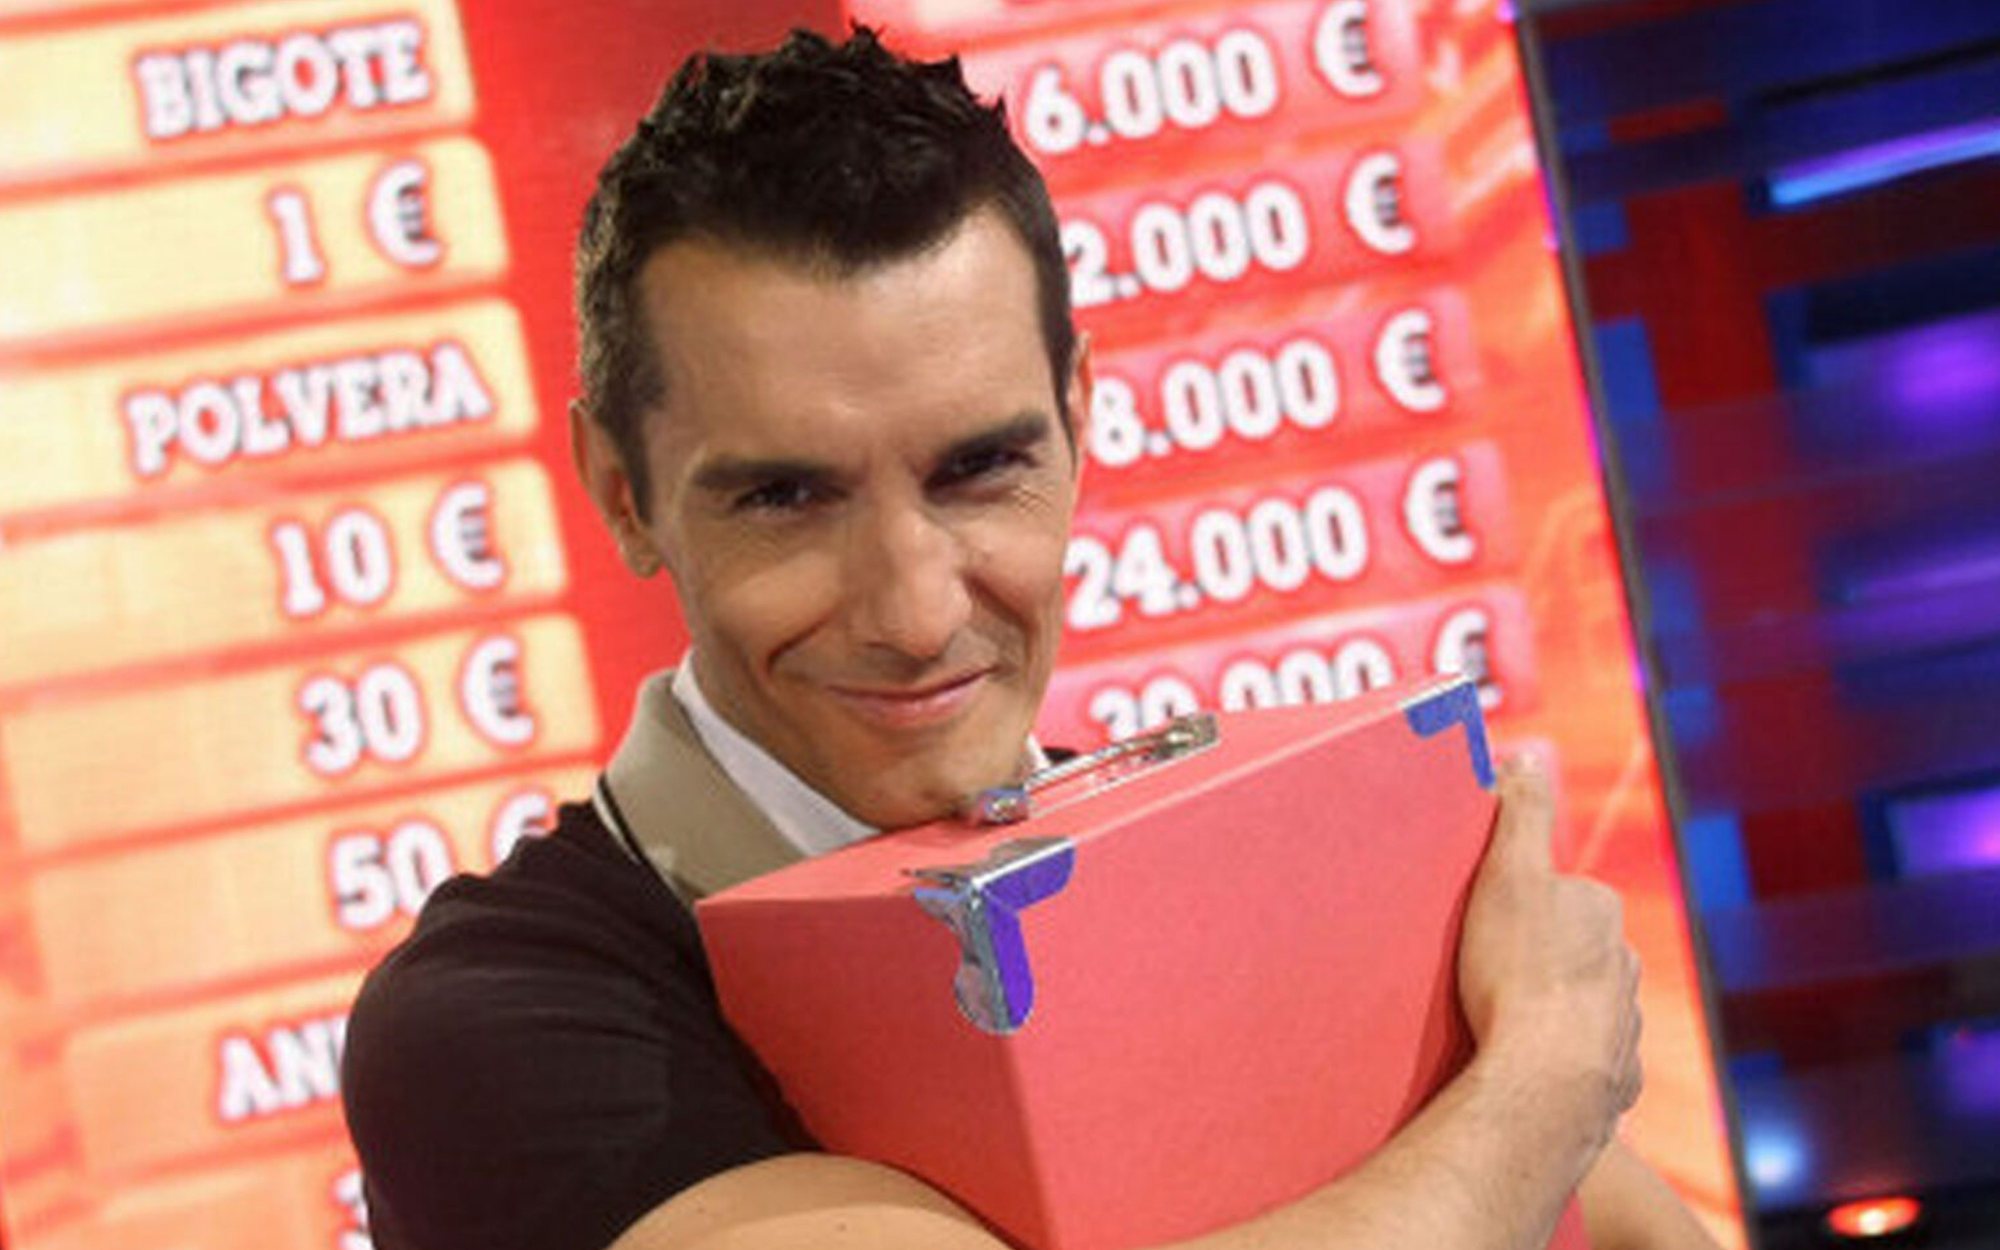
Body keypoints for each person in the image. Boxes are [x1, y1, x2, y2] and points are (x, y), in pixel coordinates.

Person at [341, 26, 1722, 1250]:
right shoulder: (494, 1022)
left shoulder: (1207, 866)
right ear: (621, 492)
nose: (915, 612)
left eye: (979, 468)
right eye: (785, 498)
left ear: (1078, 414)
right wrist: (1538, 1086)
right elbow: (1539, 1142)